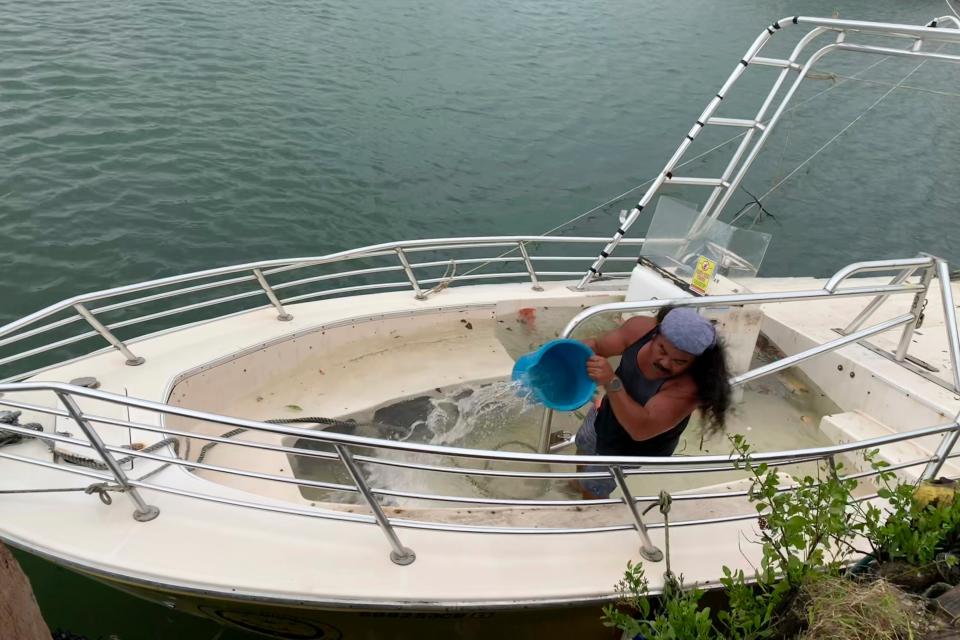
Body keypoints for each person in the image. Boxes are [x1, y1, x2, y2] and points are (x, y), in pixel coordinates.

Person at [574, 306, 732, 498]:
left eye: (679, 361)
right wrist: (563, 352)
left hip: (637, 444)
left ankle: (588, 509)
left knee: (595, 484)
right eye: (662, 350)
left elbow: (641, 429)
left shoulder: (689, 387)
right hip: (609, 412)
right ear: (655, 334)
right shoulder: (638, 329)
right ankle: (578, 486)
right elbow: (598, 347)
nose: (665, 362)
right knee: (584, 443)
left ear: (694, 362)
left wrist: (610, 380)